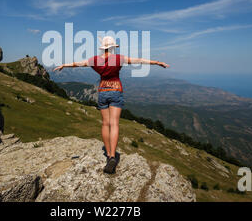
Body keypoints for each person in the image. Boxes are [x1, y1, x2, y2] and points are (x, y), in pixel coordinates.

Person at [53, 36, 169, 174]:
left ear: (103, 47)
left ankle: (108, 155)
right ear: (113, 47)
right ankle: (113, 156)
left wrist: (64, 65)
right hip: (116, 91)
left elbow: (79, 63)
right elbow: (139, 60)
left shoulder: (95, 60)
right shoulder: (118, 59)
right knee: (114, 124)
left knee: (105, 124)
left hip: (102, 92)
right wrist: (156, 62)